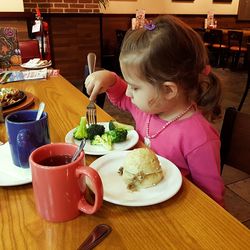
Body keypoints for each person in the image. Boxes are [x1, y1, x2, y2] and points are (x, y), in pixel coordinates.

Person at [85, 15, 224, 206]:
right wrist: (109, 78)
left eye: (135, 87)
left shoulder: (199, 138)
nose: (128, 92)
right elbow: (121, 96)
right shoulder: (149, 109)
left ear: (168, 90)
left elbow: (212, 199)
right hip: (140, 199)